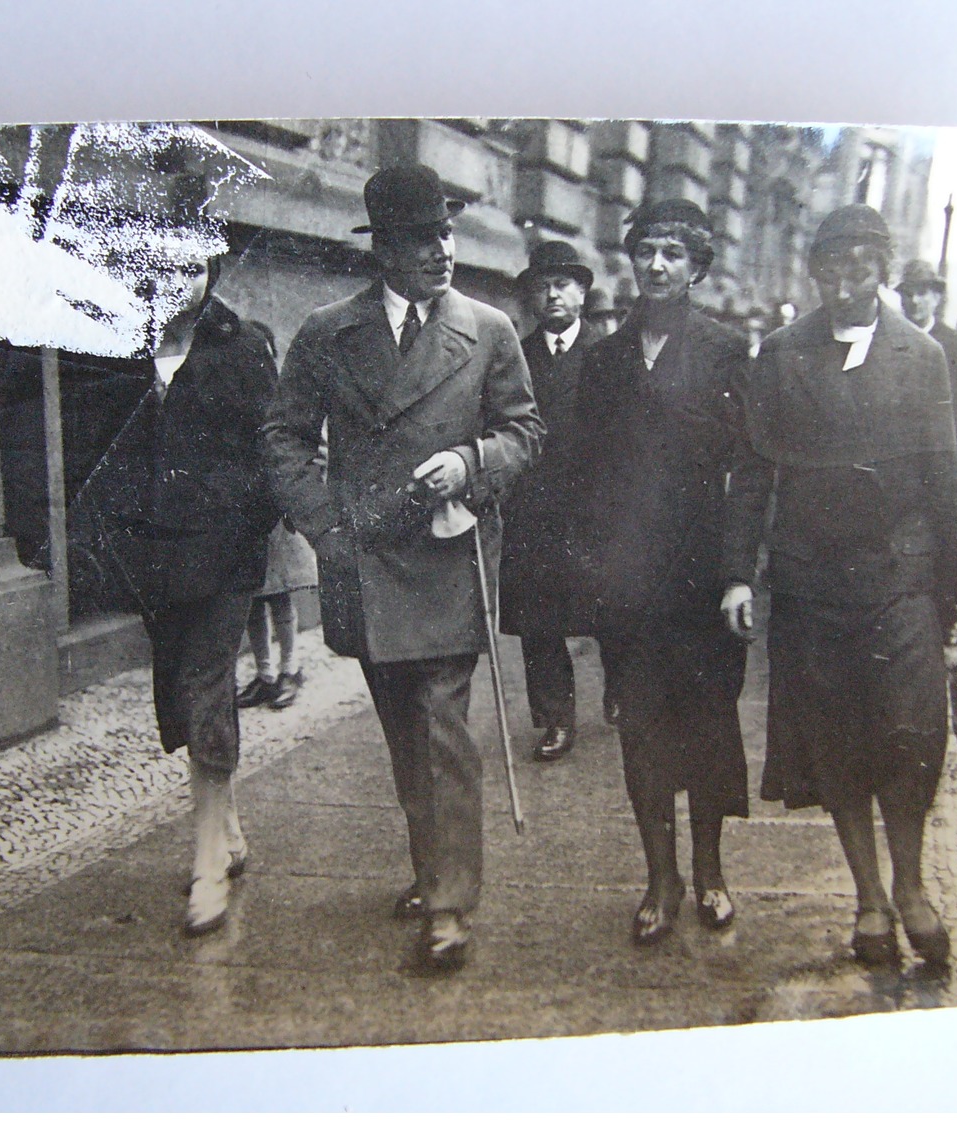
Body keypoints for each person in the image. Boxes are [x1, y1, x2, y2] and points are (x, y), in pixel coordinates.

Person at [264, 164, 542, 971]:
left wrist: (471, 458)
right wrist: (325, 527)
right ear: (381, 248)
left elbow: (526, 434)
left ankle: (450, 904)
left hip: (449, 557)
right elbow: (284, 437)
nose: (441, 251)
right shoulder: (326, 331)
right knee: (404, 734)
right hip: (368, 559)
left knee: (442, 728)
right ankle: (433, 868)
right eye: (422, 239)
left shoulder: (488, 329)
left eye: (447, 234)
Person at [722, 205, 957, 969]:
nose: (845, 285)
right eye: (831, 270)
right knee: (836, 741)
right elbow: (753, 474)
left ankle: (913, 887)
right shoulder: (780, 353)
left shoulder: (922, 355)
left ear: (883, 269)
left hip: (901, 581)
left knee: (908, 738)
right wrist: (737, 574)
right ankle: (869, 899)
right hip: (811, 583)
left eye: (860, 269)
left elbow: (945, 477)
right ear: (816, 272)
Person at [573, 199, 753, 944]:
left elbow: (748, 470)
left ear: (697, 267)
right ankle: (660, 877)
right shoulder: (606, 360)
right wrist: (591, 576)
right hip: (629, 581)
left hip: (704, 578)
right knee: (641, 728)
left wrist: (740, 574)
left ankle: (709, 870)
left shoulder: (725, 351)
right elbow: (586, 477)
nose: (657, 265)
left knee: (707, 726)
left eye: (674, 253)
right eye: (646, 250)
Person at [103, 255, 279, 936]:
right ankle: (229, 833)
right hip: (157, 561)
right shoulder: (127, 345)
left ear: (210, 267)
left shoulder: (242, 346)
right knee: (181, 697)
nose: (167, 280)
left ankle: (207, 866)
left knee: (205, 692)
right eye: (156, 262)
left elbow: (272, 449)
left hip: (223, 558)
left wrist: (241, 525)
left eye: (184, 265)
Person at [499, 240, 596, 762]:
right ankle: (555, 718)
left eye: (562, 284)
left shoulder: (607, 354)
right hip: (534, 509)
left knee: (612, 607)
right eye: (541, 286)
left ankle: (623, 690)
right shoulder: (516, 354)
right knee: (539, 620)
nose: (552, 295)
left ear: (583, 292)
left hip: (594, 509)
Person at [236, 321, 319, 711]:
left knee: (281, 596)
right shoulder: (234, 396)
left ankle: (291, 668)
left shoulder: (283, 397)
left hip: (278, 511)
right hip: (247, 513)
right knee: (254, 597)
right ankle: (265, 674)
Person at [896, 259, 957, 479]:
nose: (914, 301)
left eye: (922, 293)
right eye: (908, 294)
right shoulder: (887, 341)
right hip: (896, 459)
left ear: (936, 297)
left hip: (940, 460)